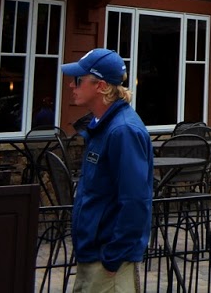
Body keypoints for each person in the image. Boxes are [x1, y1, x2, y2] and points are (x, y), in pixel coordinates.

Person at [61, 47, 151, 293]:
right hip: (94, 253)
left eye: (78, 80)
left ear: (100, 86)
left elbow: (135, 201)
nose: (72, 85)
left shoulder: (123, 131)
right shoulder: (102, 126)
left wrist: (114, 256)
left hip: (107, 262)